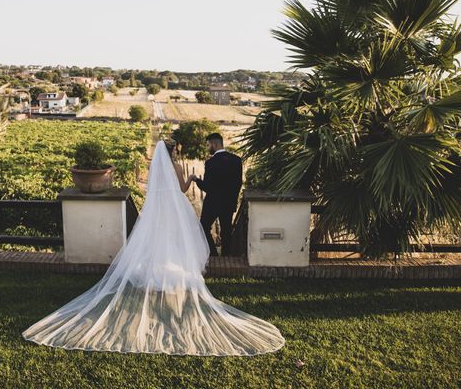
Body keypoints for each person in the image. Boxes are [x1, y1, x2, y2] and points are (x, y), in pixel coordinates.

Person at [22, 140, 284, 356]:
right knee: (179, 239)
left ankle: (155, 267)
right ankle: (175, 267)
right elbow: (181, 189)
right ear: (172, 153)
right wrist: (191, 177)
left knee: (157, 239)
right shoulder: (177, 166)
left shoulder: (155, 169)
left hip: (157, 210)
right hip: (177, 209)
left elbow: (154, 191)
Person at [190, 133, 242, 256]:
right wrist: (233, 201)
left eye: (209, 145)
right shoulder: (236, 160)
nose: (208, 148)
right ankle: (226, 258)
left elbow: (207, 187)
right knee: (226, 232)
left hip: (212, 203)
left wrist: (196, 180)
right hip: (229, 203)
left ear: (214, 144)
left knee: (203, 228)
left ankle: (213, 254)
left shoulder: (210, 163)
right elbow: (238, 183)